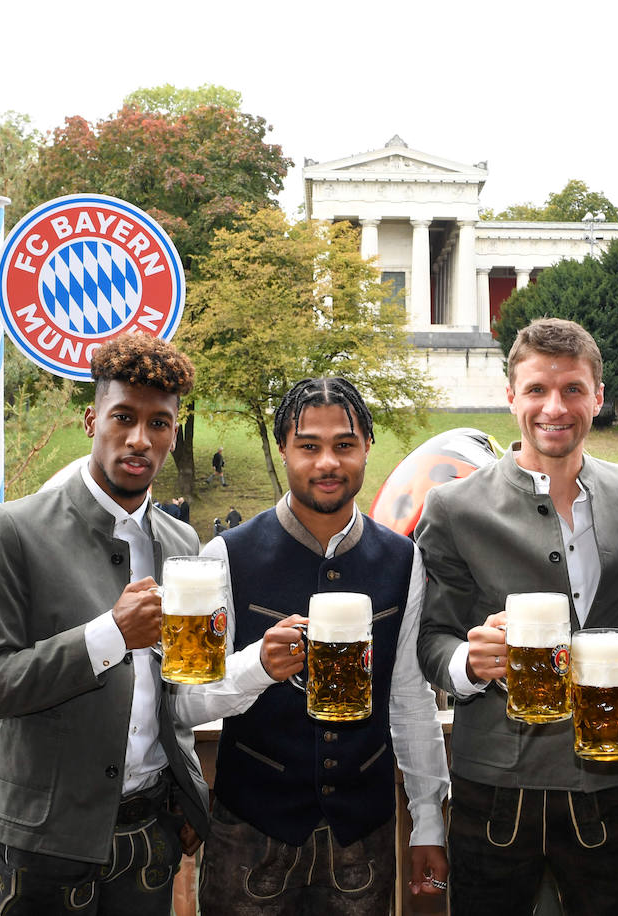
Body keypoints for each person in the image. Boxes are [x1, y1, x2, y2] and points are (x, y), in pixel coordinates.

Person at [0, 333, 210, 914]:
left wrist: (184, 792)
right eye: (123, 417)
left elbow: (172, 694)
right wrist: (110, 635)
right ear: (92, 419)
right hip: (44, 841)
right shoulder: (9, 531)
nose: (140, 439)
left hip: (151, 835)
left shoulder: (182, 541)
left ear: (174, 431)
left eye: (159, 423)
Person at [183, 377, 449, 914]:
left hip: (363, 837)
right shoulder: (223, 556)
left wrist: (427, 822)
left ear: (367, 447)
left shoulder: (403, 559)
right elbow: (184, 701)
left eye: (344, 445)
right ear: (284, 448)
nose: (327, 461)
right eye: (309, 446)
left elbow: (409, 700)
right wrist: (256, 665)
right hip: (249, 832)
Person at [415, 317, 618, 915]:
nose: (555, 406)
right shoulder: (452, 507)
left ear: (600, 397)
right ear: (511, 397)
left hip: (613, 780)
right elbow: (430, 641)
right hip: (495, 784)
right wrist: (468, 662)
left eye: (573, 388)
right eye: (537, 390)